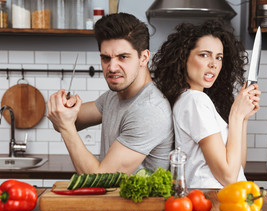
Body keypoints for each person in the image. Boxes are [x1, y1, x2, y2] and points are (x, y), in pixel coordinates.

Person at [47, 13, 174, 175]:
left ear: (144, 58)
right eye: (106, 58)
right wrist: (62, 111)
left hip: (137, 201)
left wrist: (65, 126)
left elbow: (101, 178)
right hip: (111, 199)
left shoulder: (150, 109)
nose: (112, 67)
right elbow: (66, 121)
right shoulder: (114, 96)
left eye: (123, 57)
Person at [151, 21, 261, 188]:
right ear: (183, 57)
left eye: (219, 57)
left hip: (222, 200)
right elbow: (229, 178)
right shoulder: (195, 101)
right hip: (212, 201)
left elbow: (238, 169)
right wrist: (236, 115)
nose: (214, 64)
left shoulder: (192, 99)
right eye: (204, 55)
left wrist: (243, 119)